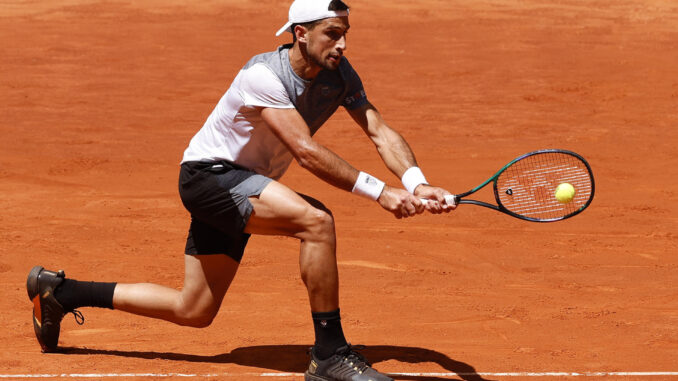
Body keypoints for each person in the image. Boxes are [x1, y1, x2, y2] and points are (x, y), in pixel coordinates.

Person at [27, 0, 455, 380]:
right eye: (332, 34)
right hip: (208, 177)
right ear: (301, 33)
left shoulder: (340, 75)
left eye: (345, 35)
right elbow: (305, 151)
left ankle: (61, 292)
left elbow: (378, 130)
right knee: (316, 222)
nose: (341, 45)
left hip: (244, 185)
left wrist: (417, 182)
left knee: (193, 310)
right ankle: (329, 353)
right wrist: (381, 192)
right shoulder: (263, 74)